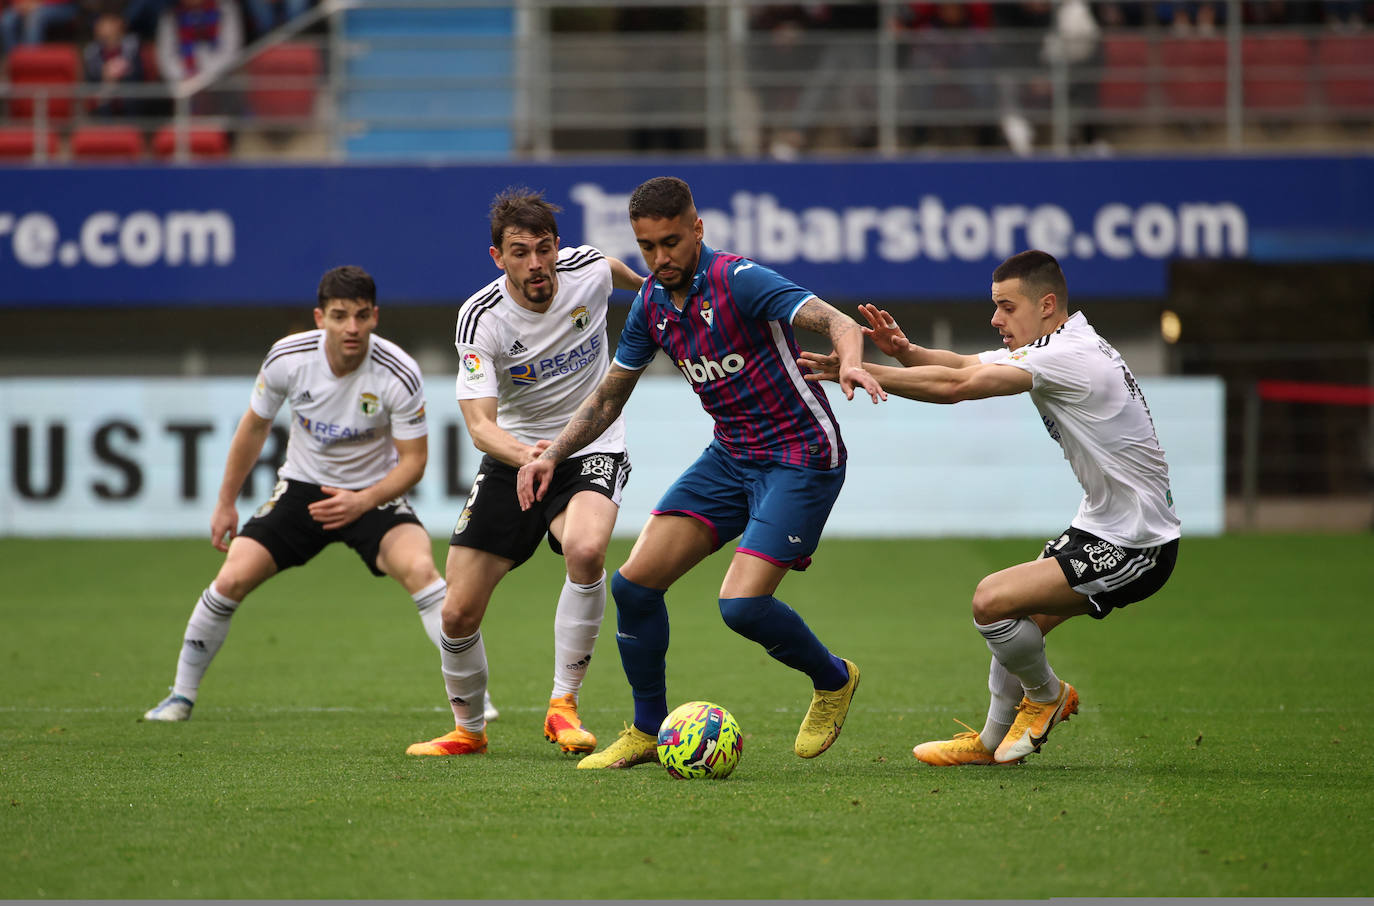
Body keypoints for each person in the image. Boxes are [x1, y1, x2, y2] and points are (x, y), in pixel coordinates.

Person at [517, 176, 885, 770]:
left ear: (697, 230)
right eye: (646, 247)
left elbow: (839, 322)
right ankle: (644, 730)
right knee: (633, 586)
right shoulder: (650, 305)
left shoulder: (740, 281)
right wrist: (551, 454)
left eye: (670, 242)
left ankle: (833, 678)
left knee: (740, 607)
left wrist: (849, 364)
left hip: (801, 456)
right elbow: (609, 398)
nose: (660, 259)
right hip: (729, 456)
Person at [800, 249, 1180, 765]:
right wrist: (905, 352)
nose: (995, 319)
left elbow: (958, 387)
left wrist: (862, 370)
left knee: (991, 601)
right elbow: (962, 364)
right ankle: (990, 742)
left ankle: (1047, 698)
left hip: (1139, 543)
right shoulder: (1060, 342)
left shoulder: (1068, 356)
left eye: (1006, 306)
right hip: (1102, 526)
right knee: (1013, 625)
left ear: (1047, 305)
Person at [143, 266, 496, 723]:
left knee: (423, 572)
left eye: (361, 316)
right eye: (339, 316)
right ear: (319, 318)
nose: (351, 328)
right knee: (230, 580)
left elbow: (414, 463)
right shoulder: (287, 359)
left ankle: (475, 699)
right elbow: (253, 426)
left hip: (373, 494)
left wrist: (362, 501)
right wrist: (226, 501)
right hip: (302, 491)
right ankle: (180, 696)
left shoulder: (399, 372)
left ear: (375, 317)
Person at [404, 188, 645, 758]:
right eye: (519, 252)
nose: (535, 264)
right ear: (497, 257)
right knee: (458, 611)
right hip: (515, 454)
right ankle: (468, 730)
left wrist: (649, 286)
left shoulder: (587, 271)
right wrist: (529, 458)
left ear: (557, 246)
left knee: (586, 551)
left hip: (591, 443)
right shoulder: (480, 319)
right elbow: (481, 426)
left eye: (543, 249)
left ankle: (563, 706)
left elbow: (615, 270)